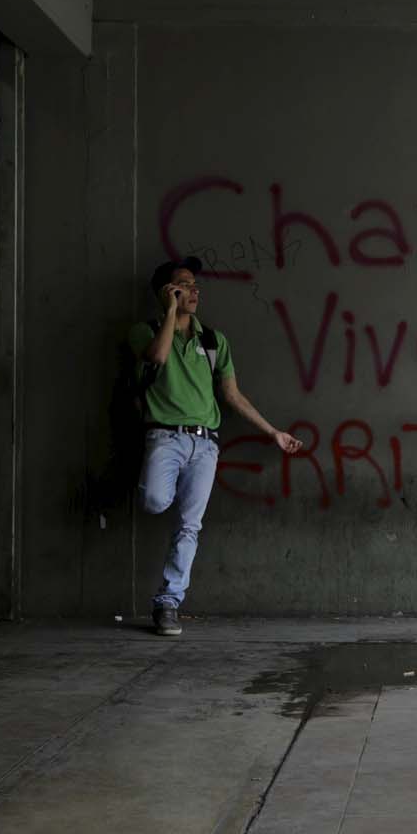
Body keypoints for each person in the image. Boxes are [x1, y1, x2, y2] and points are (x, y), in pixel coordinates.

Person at [128, 256, 302, 636]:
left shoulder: (212, 340)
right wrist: (170, 311)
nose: (194, 290)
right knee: (155, 500)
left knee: (190, 526)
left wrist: (272, 431)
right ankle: (157, 492)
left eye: (194, 285)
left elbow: (231, 395)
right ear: (166, 291)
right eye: (183, 285)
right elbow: (156, 357)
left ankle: (168, 603)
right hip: (165, 437)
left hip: (205, 445)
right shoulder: (146, 332)